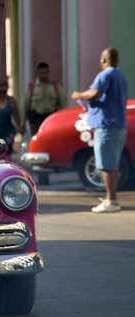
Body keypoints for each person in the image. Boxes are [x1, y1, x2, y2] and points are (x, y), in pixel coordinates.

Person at [71, 48, 128, 213]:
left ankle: (111, 200)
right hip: (118, 124)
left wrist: (78, 95)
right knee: (113, 164)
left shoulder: (105, 75)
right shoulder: (121, 76)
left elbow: (95, 92)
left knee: (105, 165)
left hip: (106, 125)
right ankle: (112, 197)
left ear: (104, 60)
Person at [24, 62, 65, 135]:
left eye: (46, 73)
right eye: (41, 73)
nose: (44, 75)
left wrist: (63, 121)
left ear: (49, 72)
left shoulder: (55, 87)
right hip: (36, 120)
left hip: (51, 119)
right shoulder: (32, 87)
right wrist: (22, 123)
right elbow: (25, 105)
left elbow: (63, 105)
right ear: (37, 73)